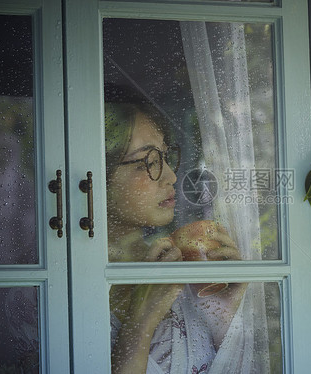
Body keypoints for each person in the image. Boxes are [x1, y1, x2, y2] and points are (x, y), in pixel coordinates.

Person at [104, 93, 249, 374]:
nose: (171, 176)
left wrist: (226, 310)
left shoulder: (183, 272)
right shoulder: (42, 297)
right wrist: (140, 324)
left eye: (165, 157)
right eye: (147, 161)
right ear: (94, 175)